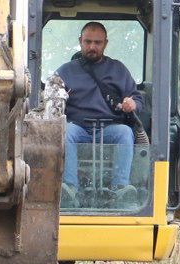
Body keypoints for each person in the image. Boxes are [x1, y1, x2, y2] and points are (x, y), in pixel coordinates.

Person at [55, 21, 142, 210]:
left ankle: (120, 188)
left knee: (125, 133)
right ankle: (69, 189)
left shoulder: (118, 70)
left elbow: (137, 98)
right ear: (80, 41)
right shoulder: (65, 71)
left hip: (109, 128)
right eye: (88, 42)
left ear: (105, 43)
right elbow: (51, 100)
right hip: (78, 127)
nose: (92, 47)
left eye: (97, 42)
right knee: (65, 131)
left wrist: (132, 103)